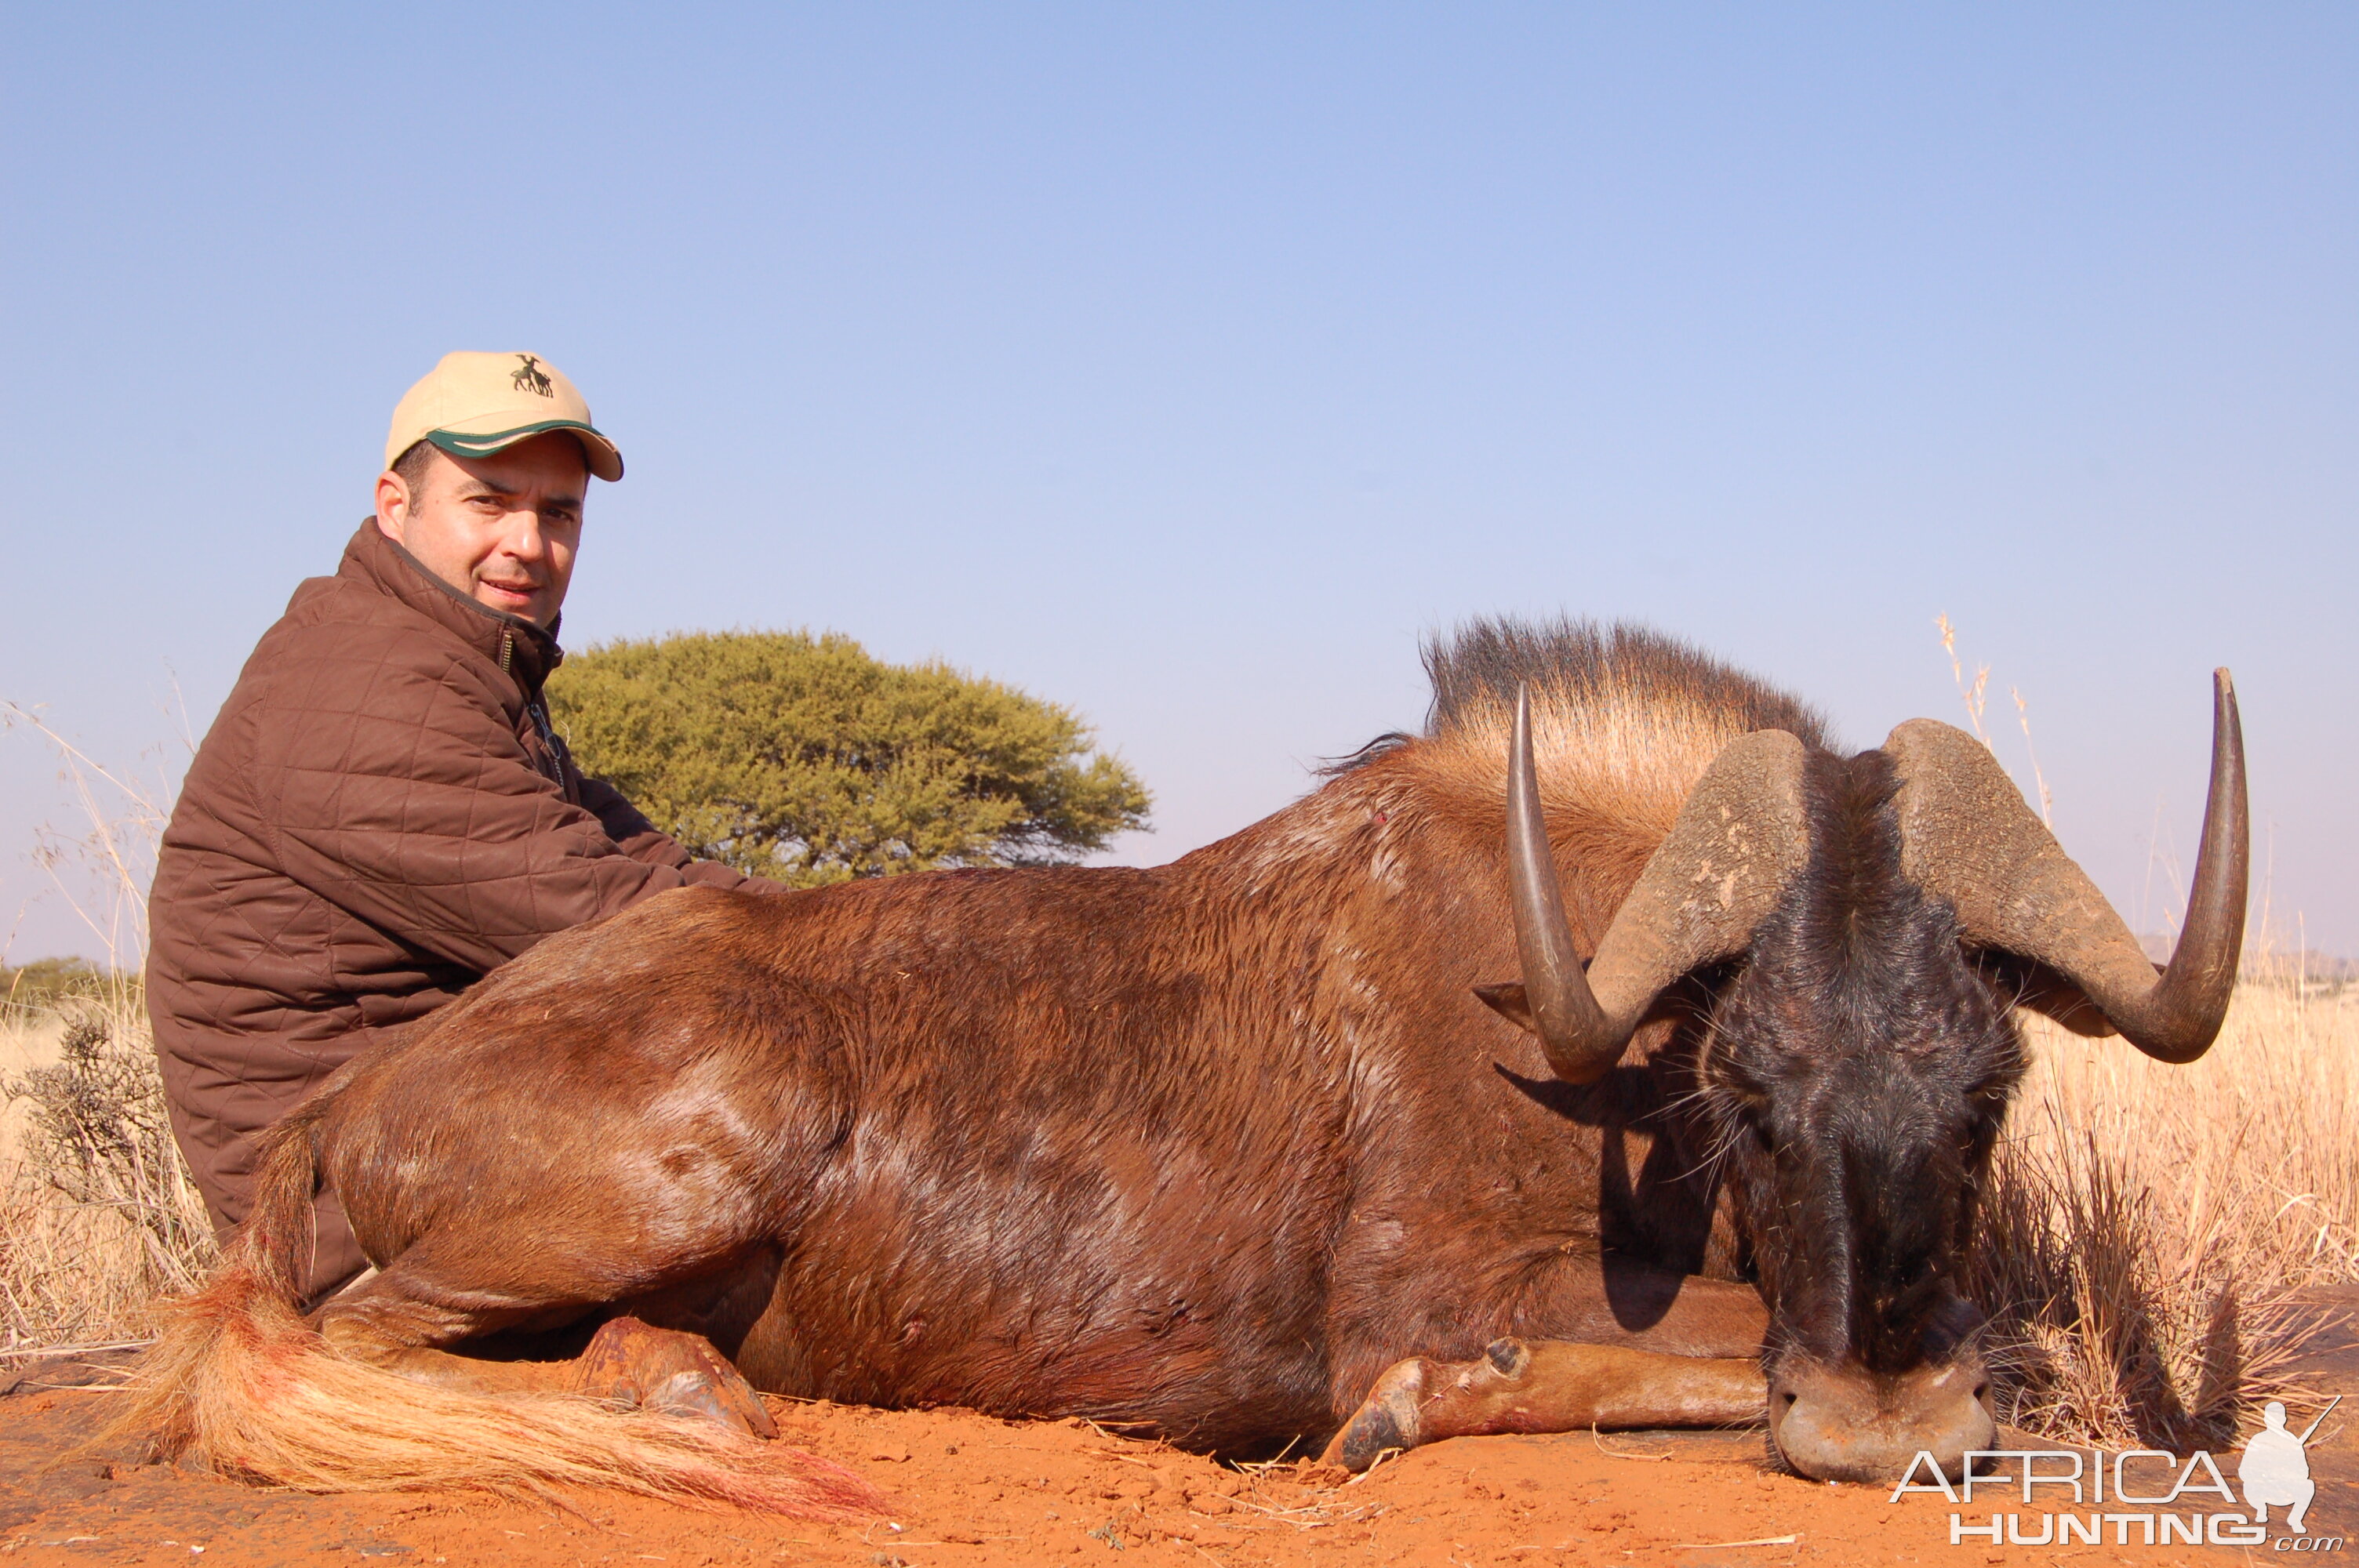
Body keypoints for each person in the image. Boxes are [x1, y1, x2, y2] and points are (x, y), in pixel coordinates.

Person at [147, 350, 777, 1299]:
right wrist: (858, 960)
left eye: (557, 511)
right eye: (488, 501)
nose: (527, 542)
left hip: (437, 1144)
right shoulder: (361, 685)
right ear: (395, 505)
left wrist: (858, 926)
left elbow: (638, 854)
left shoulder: (459, 663)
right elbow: (609, 917)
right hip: (364, 1235)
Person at [2237, 1399, 2318, 1534]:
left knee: (2308, 1485)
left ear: (2284, 1419)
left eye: (2278, 1417)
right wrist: (2263, 1474)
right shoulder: (2258, 1440)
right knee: (2250, 1485)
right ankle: (2261, 1510)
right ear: (2266, 1419)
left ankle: (2295, 1519)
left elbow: (2303, 1472)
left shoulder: (2292, 1441)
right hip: (2262, 1489)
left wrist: (2287, 1471)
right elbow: (2244, 1470)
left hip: (2284, 1489)